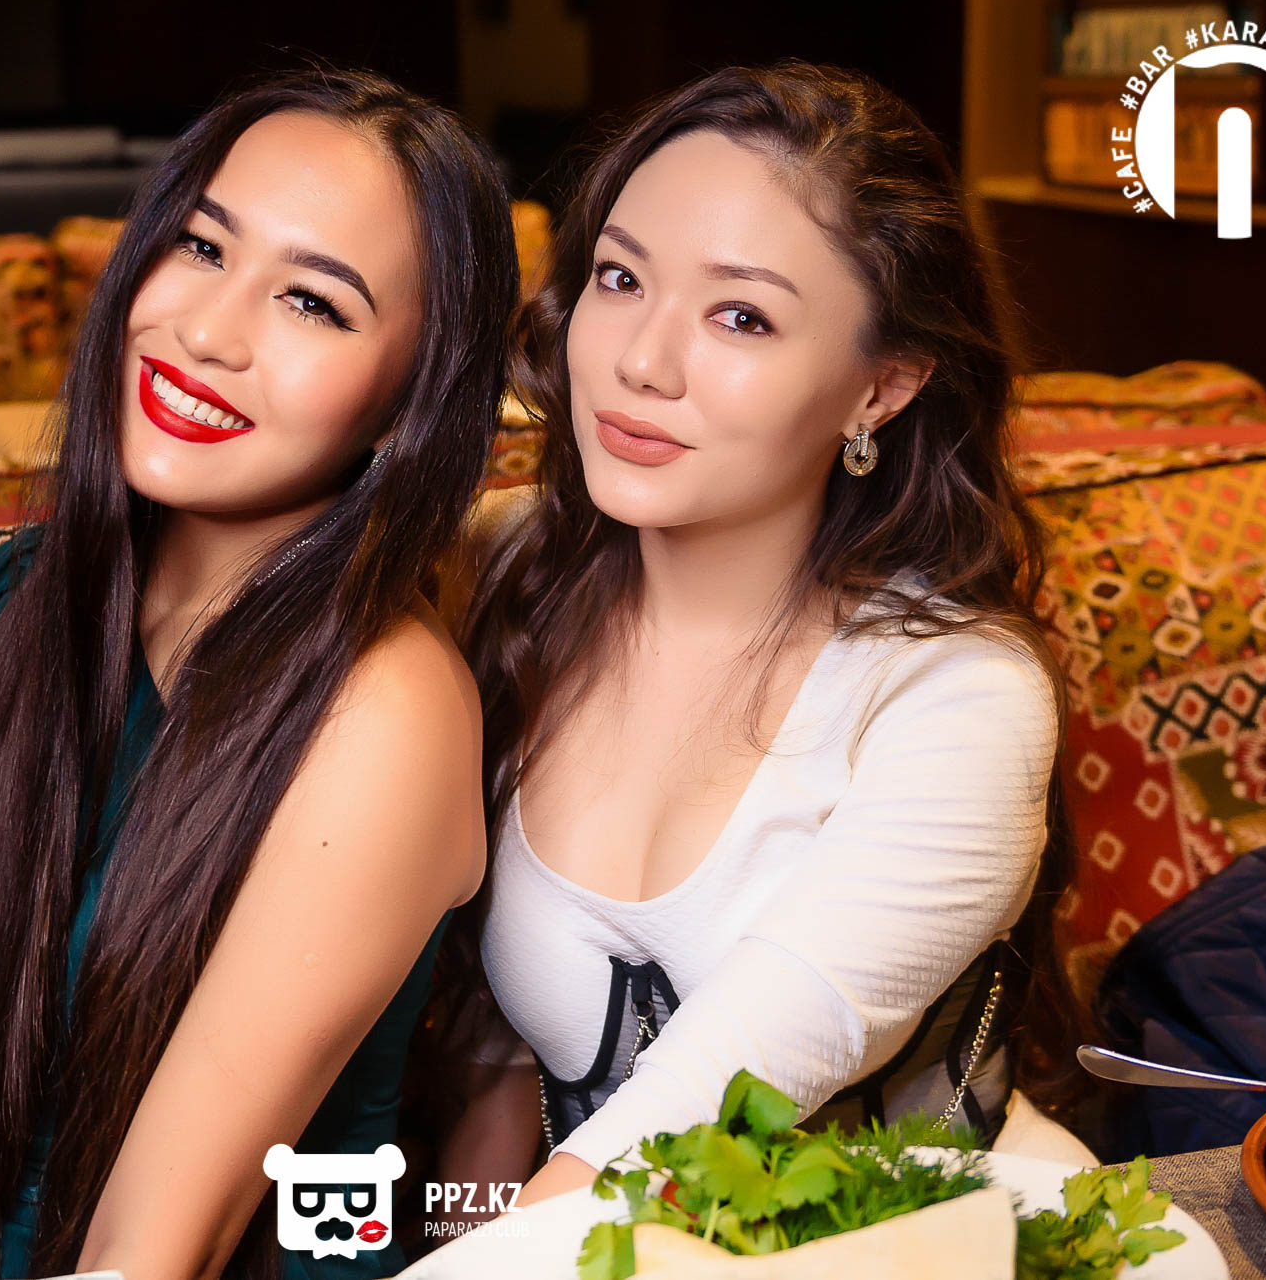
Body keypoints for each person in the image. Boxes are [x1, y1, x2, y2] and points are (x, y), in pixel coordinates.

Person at [0, 67, 518, 1280]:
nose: (208, 331)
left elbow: (154, 1247)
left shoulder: (385, 710)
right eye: (201, 246)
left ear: (407, 401)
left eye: (313, 302)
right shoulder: (16, 602)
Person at [439, 60, 1073, 1209]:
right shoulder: (506, 571)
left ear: (882, 387)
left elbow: (719, 1086)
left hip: (951, 1250)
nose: (641, 361)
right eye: (621, 277)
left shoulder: (959, 693)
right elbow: (494, 1065)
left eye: (741, 315)